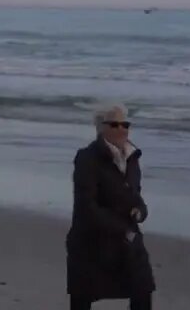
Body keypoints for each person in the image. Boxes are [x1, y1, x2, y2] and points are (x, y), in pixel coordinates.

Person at [66, 102, 155, 310]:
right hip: (92, 242)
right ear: (100, 127)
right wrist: (121, 230)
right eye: (114, 124)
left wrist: (140, 211)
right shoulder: (87, 158)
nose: (121, 129)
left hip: (127, 241)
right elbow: (86, 207)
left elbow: (135, 197)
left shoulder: (132, 157)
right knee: (82, 295)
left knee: (143, 289)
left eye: (125, 124)